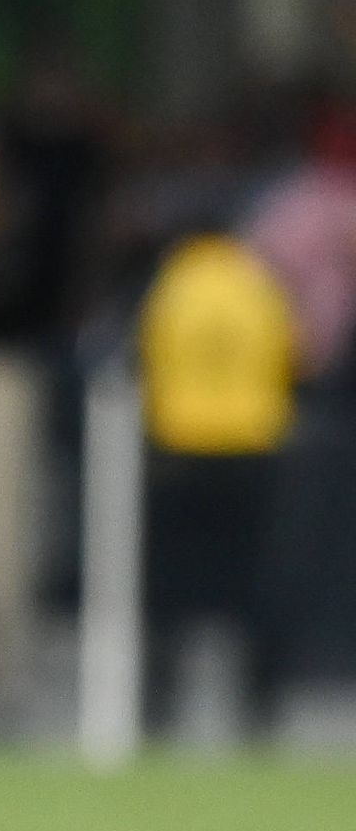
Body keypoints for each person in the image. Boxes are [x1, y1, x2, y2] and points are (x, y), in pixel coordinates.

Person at [135, 220, 301, 739]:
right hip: (253, 449)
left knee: (167, 591)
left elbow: (142, 358)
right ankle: (258, 712)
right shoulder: (262, 285)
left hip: (178, 449)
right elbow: (297, 357)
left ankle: (159, 709)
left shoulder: (172, 287)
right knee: (258, 587)